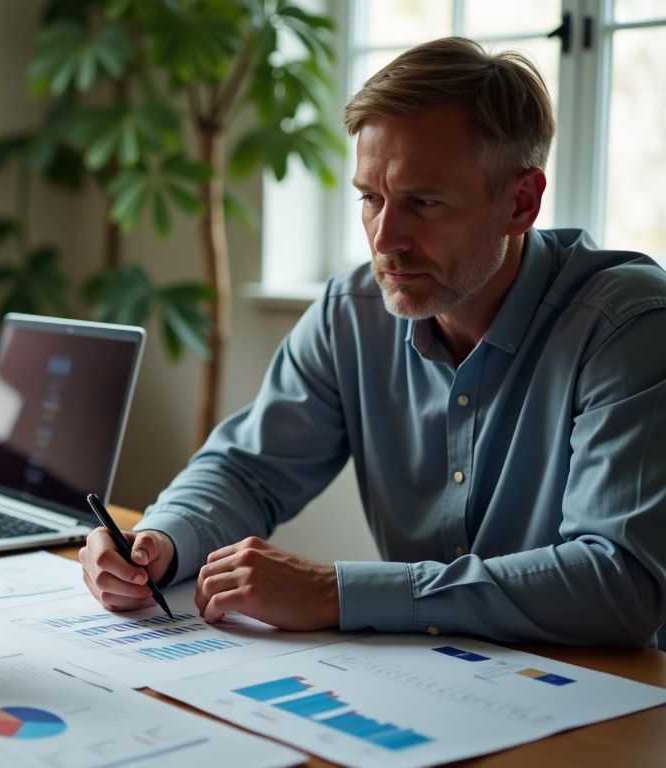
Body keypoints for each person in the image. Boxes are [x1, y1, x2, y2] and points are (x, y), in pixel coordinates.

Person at [80, 37, 666, 648]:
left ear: (520, 202)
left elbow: (619, 580)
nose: (385, 239)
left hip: (613, 701)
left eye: (424, 203)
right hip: (436, 680)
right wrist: (162, 541)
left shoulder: (629, 324)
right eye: (370, 198)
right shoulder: (351, 312)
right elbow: (248, 470)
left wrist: (337, 592)